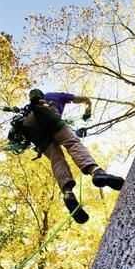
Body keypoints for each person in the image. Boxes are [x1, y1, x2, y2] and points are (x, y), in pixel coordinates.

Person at [23, 89, 125, 224]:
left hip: (32, 129)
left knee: (56, 160)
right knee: (72, 144)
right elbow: (85, 99)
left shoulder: (28, 109)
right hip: (51, 120)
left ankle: (67, 193)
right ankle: (96, 172)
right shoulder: (56, 96)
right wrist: (88, 109)